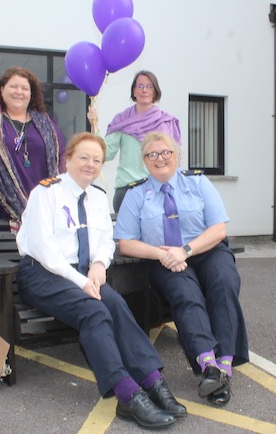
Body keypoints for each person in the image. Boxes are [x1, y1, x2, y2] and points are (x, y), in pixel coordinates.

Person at [16, 132, 185, 429]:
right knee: (93, 311)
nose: (90, 164)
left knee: (117, 305)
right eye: (83, 157)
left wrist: (98, 266)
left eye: (97, 160)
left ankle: (153, 382)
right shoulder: (46, 193)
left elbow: (106, 241)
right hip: (44, 273)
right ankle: (128, 396)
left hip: (83, 274)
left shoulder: (98, 197)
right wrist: (81, 280)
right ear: (67, 160)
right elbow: (44, 249)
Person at [114, 131, 249, 407]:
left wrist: (185, 250)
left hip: (204, 249)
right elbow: (125, 243)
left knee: (224, 282)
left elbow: (218, 228)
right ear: (144, 160)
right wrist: (162, 254)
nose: (160, 158)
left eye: (166, 152)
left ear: (177, 156)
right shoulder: (136, 193)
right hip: (163, 257)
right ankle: (208, 364)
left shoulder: (198, 183)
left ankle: (223, 366)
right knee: (185, 293)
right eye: (152, 154)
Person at [0, 66, 66, 246]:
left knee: (36, 269)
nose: (19, 92)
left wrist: (62, 193)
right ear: (2, 90)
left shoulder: (48, 124)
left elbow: (61, 158)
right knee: (0, 268)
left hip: (40, 212)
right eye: (13, 87)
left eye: (25, 88)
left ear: (31, 94)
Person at [87, 70, 181, 213]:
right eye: (140, 86)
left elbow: (174, 161)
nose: (144, 90)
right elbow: (106, 153)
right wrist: (95, 126)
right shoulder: (122, 120)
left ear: (155, 92)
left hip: (157, 191)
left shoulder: (165, 122)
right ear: (134, 91)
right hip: (127, 191)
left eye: (149, 87)